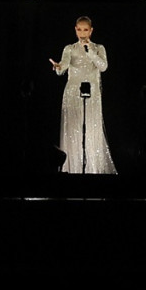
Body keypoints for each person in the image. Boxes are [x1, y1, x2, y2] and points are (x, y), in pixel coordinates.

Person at [49, 16, 117, 174]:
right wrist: (58, 67)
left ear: (91, 30)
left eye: (85, 29)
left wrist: (90, 51)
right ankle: (73, 169)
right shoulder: (69, 48)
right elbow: (63, 67)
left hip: (91, 92)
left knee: (90, 128)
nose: (82, 33)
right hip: (73, 92)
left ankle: (92, 170)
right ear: (75, 29)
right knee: (74, 130)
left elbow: (103, 67)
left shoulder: (99, 48)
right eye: (79, 29)